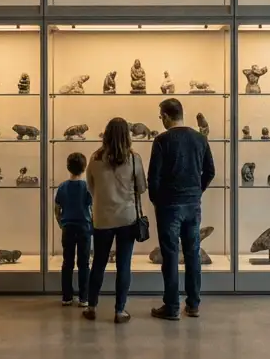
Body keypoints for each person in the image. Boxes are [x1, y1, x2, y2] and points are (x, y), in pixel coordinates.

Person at [147, 97, 215, 321]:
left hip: (168, 205)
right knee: (192, 254)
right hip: (192, 204)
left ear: (166, 116)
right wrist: (197, 191)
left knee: (170, 256)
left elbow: (153, 177)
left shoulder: (162, 140)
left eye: (160, 116)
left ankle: (172, 306)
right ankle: (193, 304)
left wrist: (157, 200)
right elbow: (210, 171)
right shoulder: (199, 139)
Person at [84, 117, 147, 324]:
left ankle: (91, 306)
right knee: (124, 265)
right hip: (127, 218)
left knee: (99, 264)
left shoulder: (95, 158)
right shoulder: (134, 158)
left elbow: (90, 187)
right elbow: (142, 188)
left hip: (102, 218)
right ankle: (120, 310)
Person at [54, 151, 92, 307]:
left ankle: (67, 297)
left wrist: (61, 223)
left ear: (68, 167)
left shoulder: (63, 186)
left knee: (67, 262)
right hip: (84, 227)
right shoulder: (86, 187)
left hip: (68, 227)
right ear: (84, 168)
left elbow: (57, 209)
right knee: (84, 263)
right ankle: (84, 297)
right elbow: (91, 208)